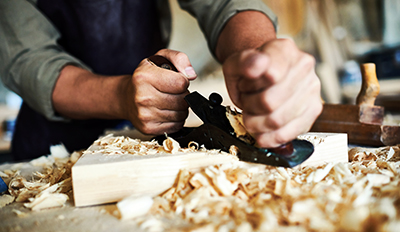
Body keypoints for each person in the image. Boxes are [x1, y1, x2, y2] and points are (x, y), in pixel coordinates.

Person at [0, 0, 322, 161]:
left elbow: (225, 4)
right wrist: (121, 95)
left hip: (152, 142)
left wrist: (258, 56)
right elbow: (28, 58)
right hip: (53, 148)